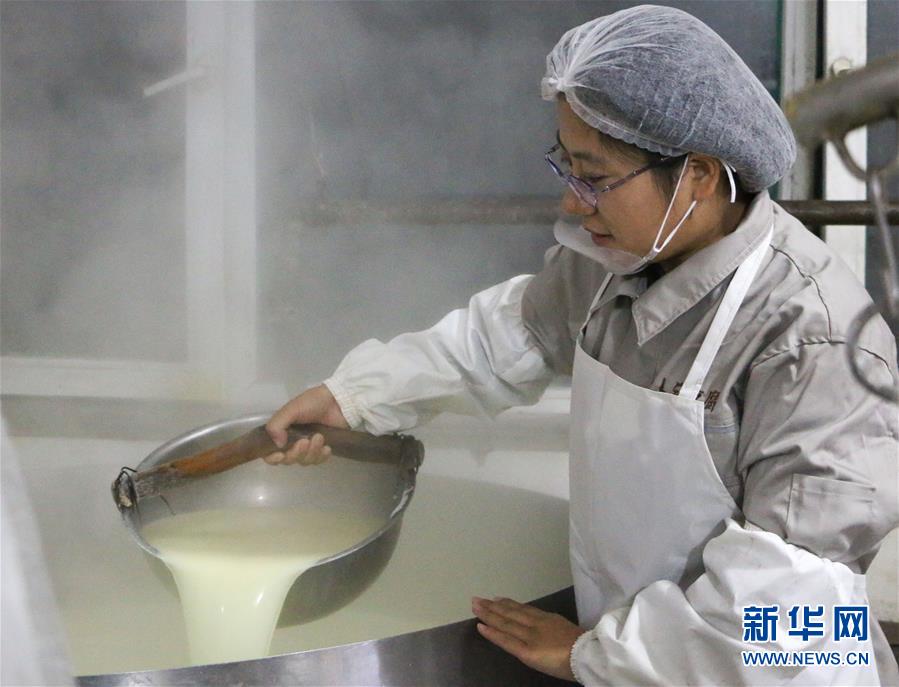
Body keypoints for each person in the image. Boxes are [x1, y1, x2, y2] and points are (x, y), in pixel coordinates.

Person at [265, 6, 899, 685]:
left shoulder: (810, 340)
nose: (572, 203)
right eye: (566, 167)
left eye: (594, 178)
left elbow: (790, 610)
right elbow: (508, 337)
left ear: (699, 175)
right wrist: (355, 398)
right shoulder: (616, 261)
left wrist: (591, 654)